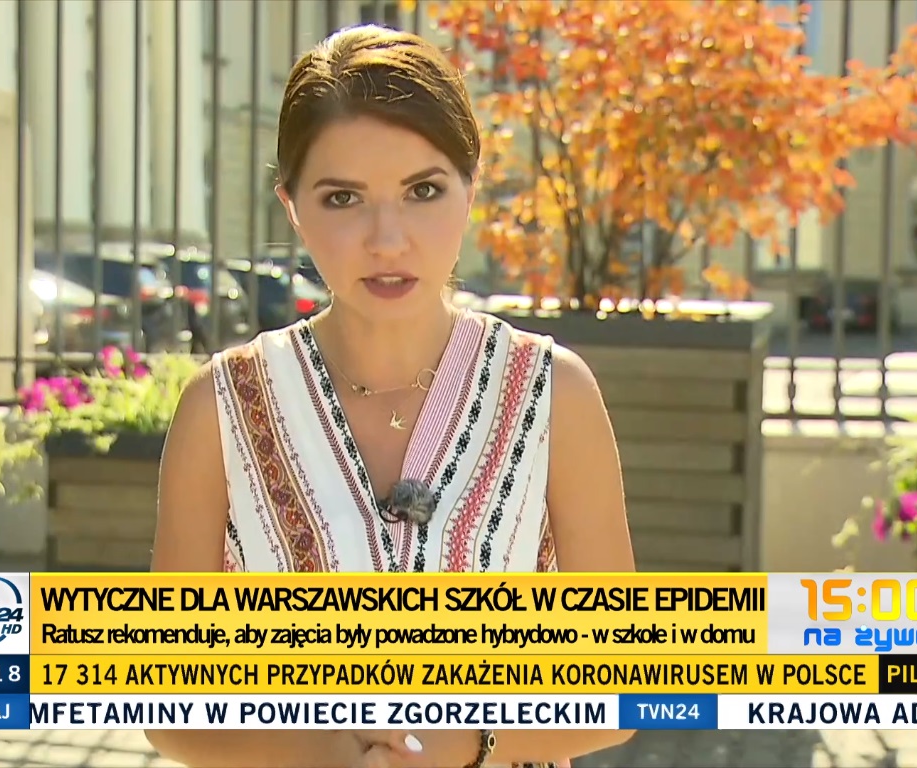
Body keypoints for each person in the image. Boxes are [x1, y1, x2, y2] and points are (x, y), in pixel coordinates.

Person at [146, 24, 636, 768]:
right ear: (292, 205)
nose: (387, 238)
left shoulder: (552, 393)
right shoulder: (221, 408)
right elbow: (169, 705)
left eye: (423, 190)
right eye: (343, 197)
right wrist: (334, 752)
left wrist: (462, 740)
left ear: (470, 188)